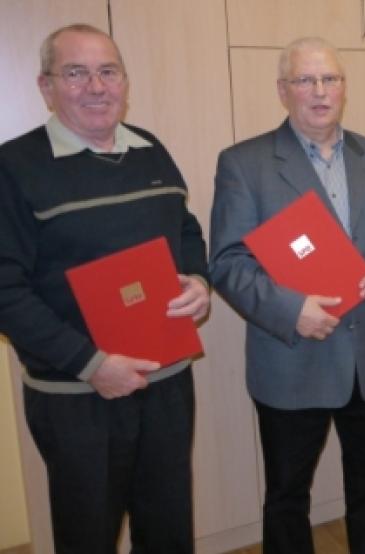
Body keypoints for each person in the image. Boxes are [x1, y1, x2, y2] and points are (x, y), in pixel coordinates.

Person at [0, 23, 210, 553]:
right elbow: (4, 291)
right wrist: (93, 365)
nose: (96, 86)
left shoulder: (151, 148)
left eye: (107, 71)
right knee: (88, 537)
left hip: (167, 383)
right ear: (46, 87)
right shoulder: (13, 166)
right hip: (78, 395)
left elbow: (184, 228)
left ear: (124, 81)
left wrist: (199, 280)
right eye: (76, 73)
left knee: (168, 532)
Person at [209, 37, 365, 554]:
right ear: (283, 91)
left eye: (330, 79)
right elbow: (228, 263)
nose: (320, 91)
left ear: (344, 87)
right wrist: (290, 309)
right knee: (287, 497)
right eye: (305, 80)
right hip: (292, 358)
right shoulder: (244, 163)